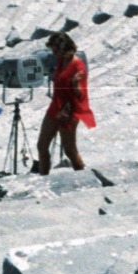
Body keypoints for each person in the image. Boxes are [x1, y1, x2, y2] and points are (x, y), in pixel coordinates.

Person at [36, 32, 94, 175]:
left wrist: (75, 83)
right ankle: (43, 177)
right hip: (56, 105)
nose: (54, 53)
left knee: (69, 150)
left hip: (70, 109)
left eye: (56, 50)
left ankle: (83, 175)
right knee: (42, 145)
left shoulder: (78, 65)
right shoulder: (61, 60)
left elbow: (80, 95)